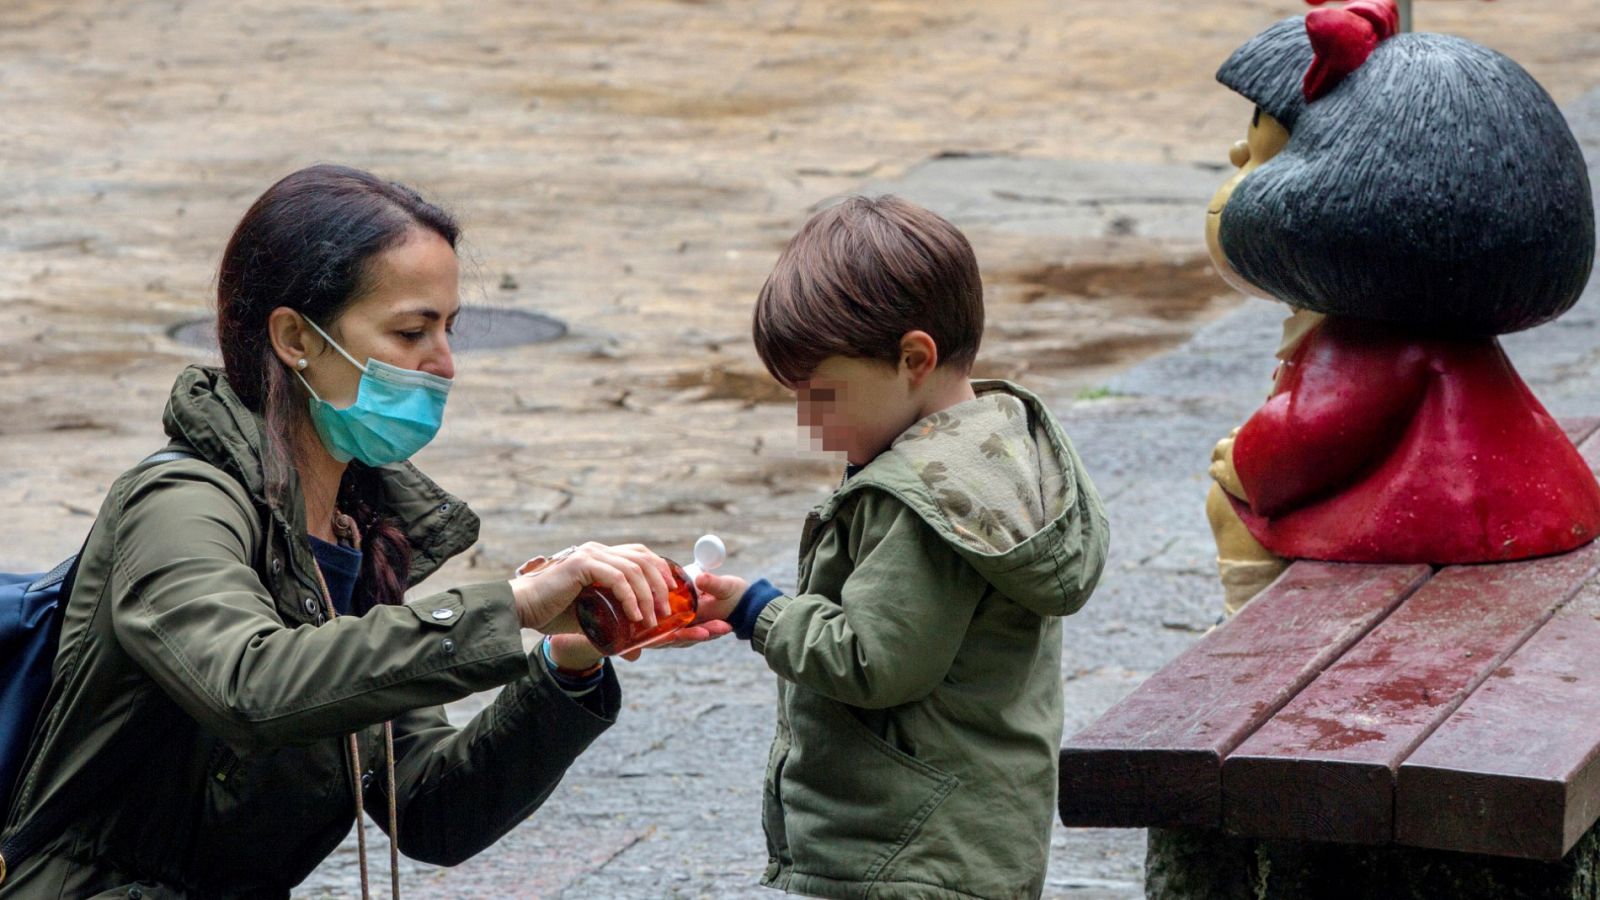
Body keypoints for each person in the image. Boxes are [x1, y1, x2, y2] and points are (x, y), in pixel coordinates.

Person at [0, 164, 728, 898]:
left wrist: (566, 666)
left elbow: (433, 807)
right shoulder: (179, 503)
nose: (443, 364)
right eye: (412, 331)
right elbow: (248, 684)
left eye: (449, 330)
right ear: (295, 338)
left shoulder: (357, 538)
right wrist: (509, 605)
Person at [692, 196, 1109, 899]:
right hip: (969, 834)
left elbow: (874, 660)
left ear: (914, 358)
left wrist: (755, 609)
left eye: (821, 396)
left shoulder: (918, 502)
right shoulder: (995, 448)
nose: (807, 421)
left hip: (900, 849)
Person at [1202, 0, 1600, 615]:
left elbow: (1315, 431)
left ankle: (1246, 620)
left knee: (1230, 508)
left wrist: (1248, 464)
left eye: (1259, 156)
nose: (1238, 164)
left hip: (1437, 515)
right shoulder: (1431, 331)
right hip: (1525, 497)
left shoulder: (1368, 347)